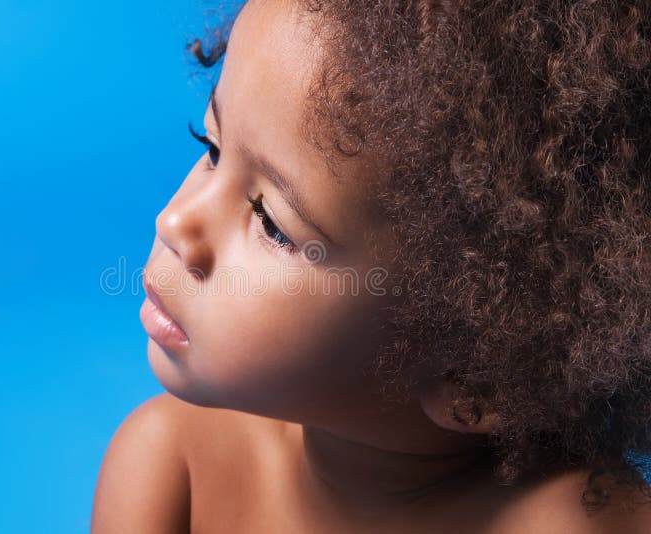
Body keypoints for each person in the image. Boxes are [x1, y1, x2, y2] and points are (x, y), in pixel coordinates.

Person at [92, 1, 651, 532]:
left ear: (474, 377)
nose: (176, 224)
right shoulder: (171, 469)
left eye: (273, 225)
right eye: (212, 148)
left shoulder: (590, 523)